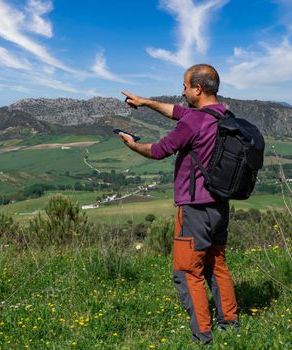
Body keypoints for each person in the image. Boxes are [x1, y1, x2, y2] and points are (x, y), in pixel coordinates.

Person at [119, 64, 238, 344]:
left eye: (185, 86)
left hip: (194, 209)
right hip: (220, 205)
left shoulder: (194, 123)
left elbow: (159, 150)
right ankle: (230, 325)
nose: (181, 91)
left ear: (198, 88)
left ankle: (203, 336)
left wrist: (132, 145)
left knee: (188, 272)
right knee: (217, 265)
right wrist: (146, 102)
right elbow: (178, 112)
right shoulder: (224, 115)